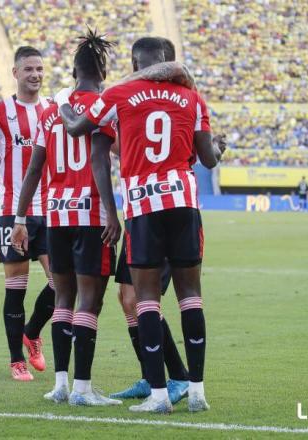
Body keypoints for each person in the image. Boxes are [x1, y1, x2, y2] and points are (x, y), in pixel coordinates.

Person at [55, 37, 226, 413]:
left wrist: (62, 102)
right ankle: (197, 392)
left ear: (136, 62)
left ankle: (160, 395)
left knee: (145, 299)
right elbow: (209, 160)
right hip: (182, 200)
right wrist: (219, 147)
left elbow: (77, 127)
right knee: (190, 297)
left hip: (143, 205)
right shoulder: (192, 98)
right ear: (167, 62)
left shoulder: (120, 94)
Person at [10, 29, 122, 406]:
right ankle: (83, 389)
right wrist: (112, 211)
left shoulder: (50, 113)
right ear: (102, 72)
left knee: (62, 300)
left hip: (55, 216)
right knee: (89, 303)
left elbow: (32, 170)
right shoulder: (104, 107)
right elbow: (99, 162)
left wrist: (21, 217)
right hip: (91, 216)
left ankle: (59, 384)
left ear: (73, 71)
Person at [110, 37, 193, 405]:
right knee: (127, 298)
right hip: (137, 212)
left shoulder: (180, 98)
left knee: (143, 299)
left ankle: (177, 378)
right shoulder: (141, 105)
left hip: (160, 212)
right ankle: (151, 373)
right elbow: (127, 146)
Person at [0, 46, 55, 381]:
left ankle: (32, 332)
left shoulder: (52, 110)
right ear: (15, 73)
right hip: (10, 210)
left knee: (61, 282)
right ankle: (16, 359)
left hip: (48, 208)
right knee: (16, 288)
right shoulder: (0, 110)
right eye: (29, 69)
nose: (35, 75)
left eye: (40, 69)